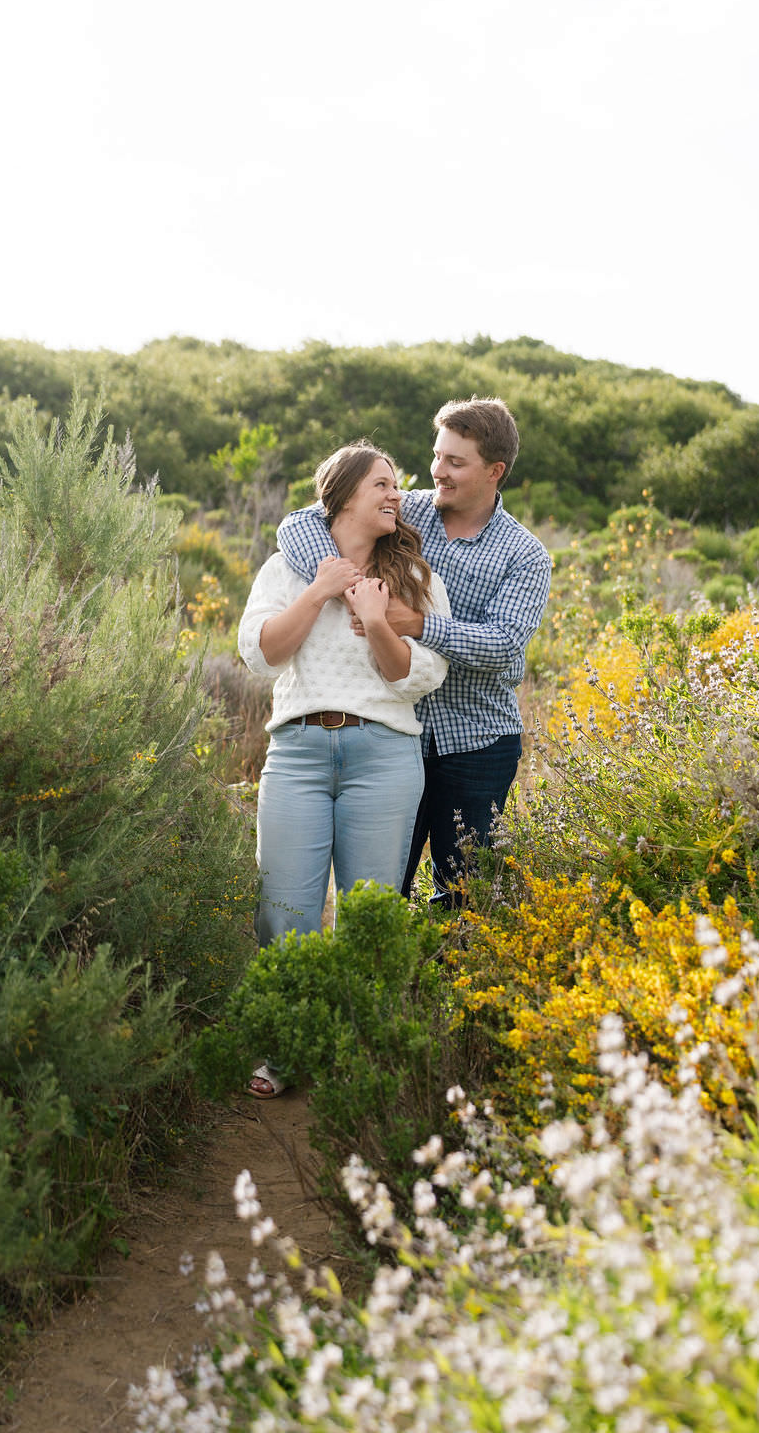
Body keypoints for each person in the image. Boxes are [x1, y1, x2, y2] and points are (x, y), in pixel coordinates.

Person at [238, 440, 450, 1096]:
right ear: (343, 494)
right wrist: (321, 592)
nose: (397, 495)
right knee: (284, 907)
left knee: (370, 913)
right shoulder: (286, 569)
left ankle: (361, 1050)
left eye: (398, 485)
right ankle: (284, 1047)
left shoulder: (417, 579)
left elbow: (421, 676)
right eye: (383, 484)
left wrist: (376, 619)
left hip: (383, 755)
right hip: (297, 752)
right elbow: (259, 655)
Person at [278, 397, 551, 906]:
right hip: (391, 736)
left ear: (495, 471)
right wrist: (351, 590)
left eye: (455, 461)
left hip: (476, 743)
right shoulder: (408, 510)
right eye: (437, 455)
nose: (437, 471)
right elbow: (299, 523)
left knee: (462, 894)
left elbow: (505, 643)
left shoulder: (525, 554)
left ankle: (444, 980)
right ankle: (380, 981)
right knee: (378, 892)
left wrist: (416, 625)